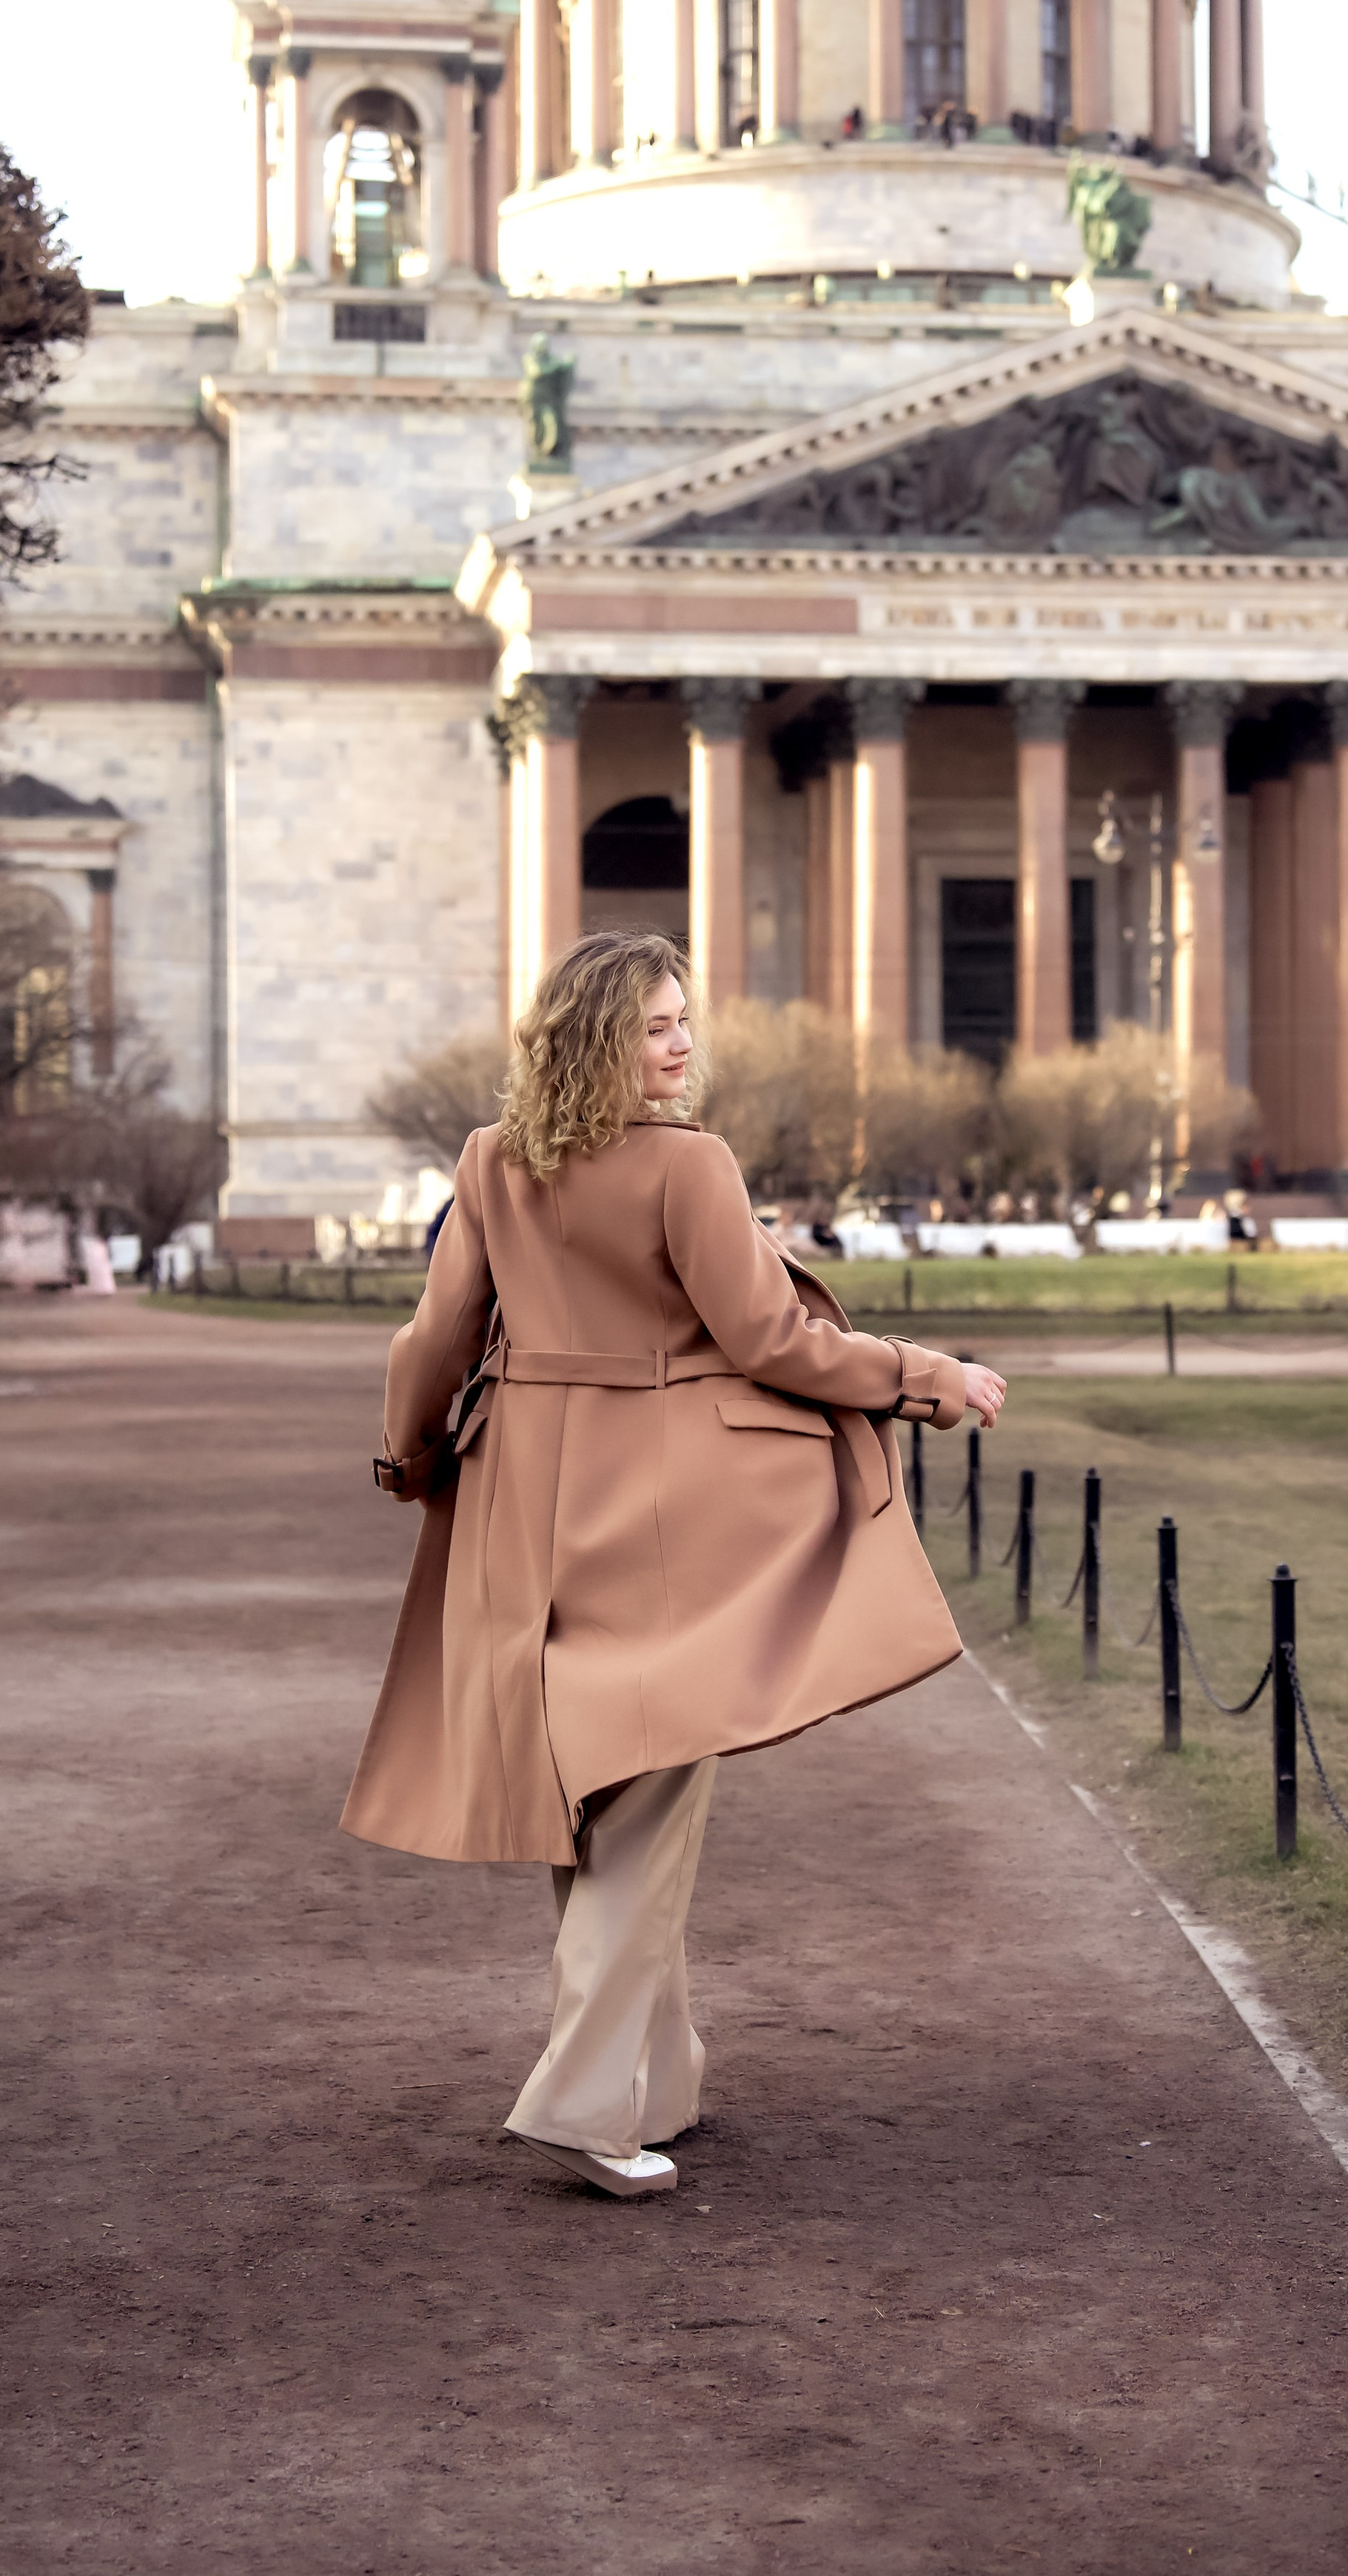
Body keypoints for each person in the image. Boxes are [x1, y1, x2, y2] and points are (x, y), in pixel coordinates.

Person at [341, 930, 1004, 2201]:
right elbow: (771, 1338)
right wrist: (926, 1375)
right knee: (647, 1791)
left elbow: (433, 1335)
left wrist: (408, 1456)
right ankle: (588, 2105)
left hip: (522, 1499)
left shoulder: (492, 1161)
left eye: (684, 1019)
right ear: (602, 1037)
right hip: (653, 1508)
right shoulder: (687, 1167)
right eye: (657, 1024)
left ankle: (654, 2074)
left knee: (587, 1786)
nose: (684, 1042)